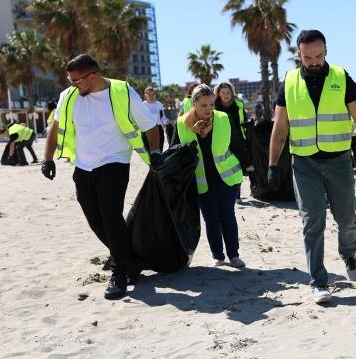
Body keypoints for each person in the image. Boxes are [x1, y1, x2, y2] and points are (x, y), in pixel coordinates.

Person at [267, 29, 356, 304]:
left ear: (326, 51)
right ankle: (318, 281)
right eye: (308, 57)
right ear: (299, 55)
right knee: (312, 220)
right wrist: (271, 164)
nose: (314, 61)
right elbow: (280, 127)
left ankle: (348, 253)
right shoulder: (290, 81)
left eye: (318, 55)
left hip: (339, 160)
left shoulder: (341, 77)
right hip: (304, 162)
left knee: (347, 217)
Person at [40, 54, 160, 300]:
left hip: (114, 162)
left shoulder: (122, 92)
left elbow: (150, 125)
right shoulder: (69, 96)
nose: (72, 84)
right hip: (83, 166)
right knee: (94, 219)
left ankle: (118, 272)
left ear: (92, 76)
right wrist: (47, 158)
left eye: (76, 80)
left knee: (111, 216)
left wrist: (156, 152)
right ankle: (131, 259)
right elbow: (55, 126)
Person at [172, 84, 253, 267]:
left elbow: (236, 144)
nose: (208, 109)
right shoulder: (182, 124)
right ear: (194, 103)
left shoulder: (224, 118)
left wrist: (248, 164)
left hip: (227, 177)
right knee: (210, 218)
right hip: (201, 180)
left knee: (227, 214)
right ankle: (218, 256)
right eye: (203, 106)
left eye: (211, 105)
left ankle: (234, 255)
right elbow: (175, 151)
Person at [143, 87, 169, 151]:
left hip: (159, 129)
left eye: (153, 94)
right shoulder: (142, 105)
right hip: (147, 130)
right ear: (145, 95)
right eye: (149, 95)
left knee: (159, 151)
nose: (151, 96)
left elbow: (162, 118)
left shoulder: (159, 104)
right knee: (149, 153)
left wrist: (169, 122)